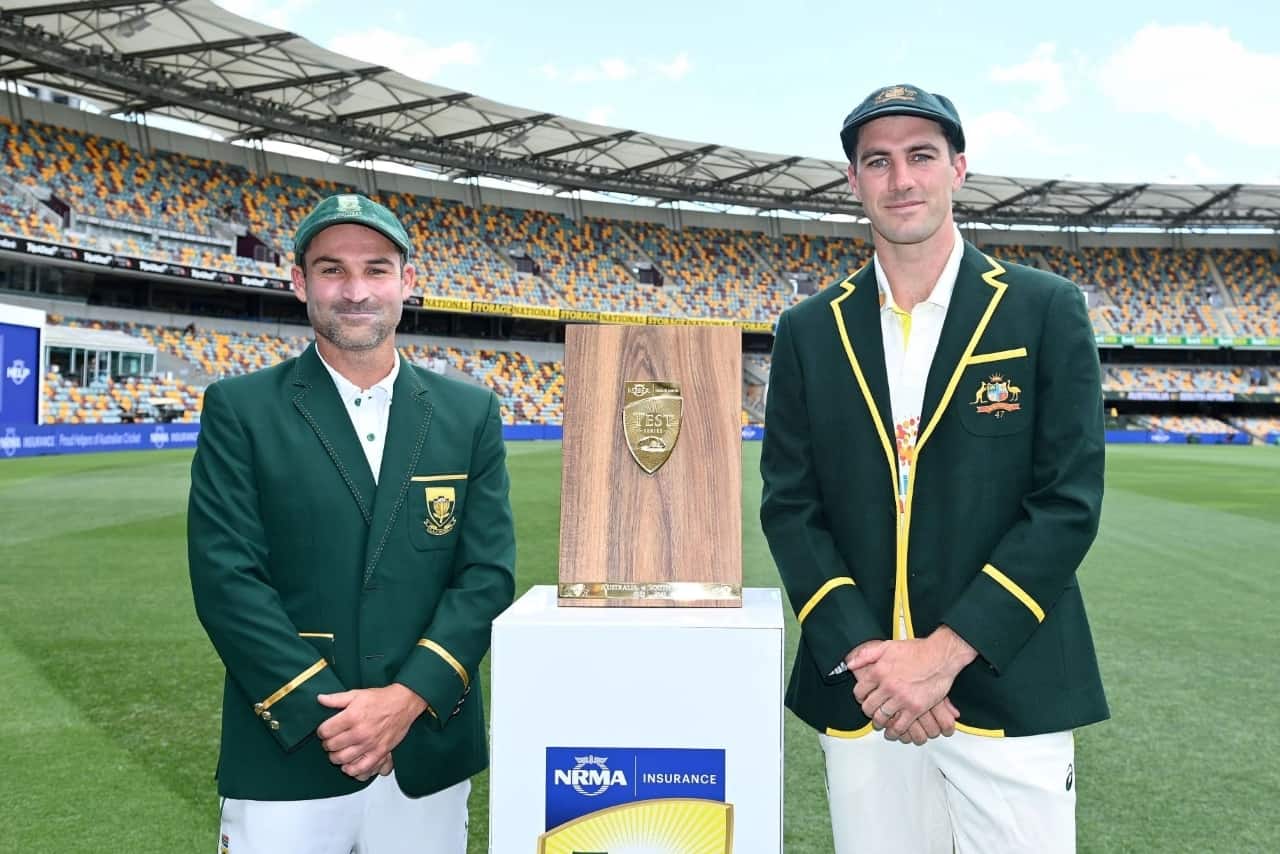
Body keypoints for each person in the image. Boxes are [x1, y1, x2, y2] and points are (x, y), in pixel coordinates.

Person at [760, 84, 1107, 853]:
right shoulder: (809, 330)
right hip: (867, 691)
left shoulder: (1043, 308)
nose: (901, 179)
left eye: (921, 156)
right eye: (877, 162)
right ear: (853, 182)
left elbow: (1068, 504)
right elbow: (790, 506)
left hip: (1007, 681)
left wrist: (943, 655)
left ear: (958, 167)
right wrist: (873, 661)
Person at [188, 193, 516, 854]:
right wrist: (333, 718)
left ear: (407, 282)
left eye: (376, 268)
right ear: (300, 282)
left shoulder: (469, 412)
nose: (356, 290)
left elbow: (486, 576)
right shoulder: (239, 408)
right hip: (288, 749)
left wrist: (404, 701)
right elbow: (228, 580)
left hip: (423, 744)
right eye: (333, 269)